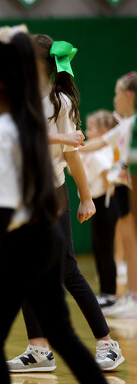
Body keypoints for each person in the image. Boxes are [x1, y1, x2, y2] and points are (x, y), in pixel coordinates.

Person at [0, 24, 107, 384]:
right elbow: (18, 192)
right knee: (61, 333)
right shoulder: (18, 123)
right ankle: (45, 353)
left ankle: (104, 341)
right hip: (42, 231)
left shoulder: (6, 130)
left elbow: (6, 207)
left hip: (26, 240)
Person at [6, 34, 123, 372]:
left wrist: (86, 197)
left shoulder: (60, 102)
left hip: (51, 194)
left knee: (66, 269)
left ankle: (108, 344)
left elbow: (72, 155)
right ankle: (39, 351)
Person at [81, 71, 137, 318]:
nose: (114, 99)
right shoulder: (124, 125)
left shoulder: (133, 124)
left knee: (132, 243)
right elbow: (99, 143)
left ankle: (133, 297)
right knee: (129, 244)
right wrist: (70, 145)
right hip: (123, 188)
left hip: (130, 186)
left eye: (117, 94)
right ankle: (131, 296)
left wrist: (124, 166)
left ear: (128, 95)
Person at [81, 110, 119, 307]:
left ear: (104, 131)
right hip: (98, 203)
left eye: (90, 128)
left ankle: (110, 294)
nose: (87, 132)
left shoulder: (100, 154)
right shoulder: (92, 152)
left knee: (105, 250)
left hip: (105, 203)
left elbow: (107, 176)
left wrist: (108, 195)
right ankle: (105, 292)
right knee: (99, 248)